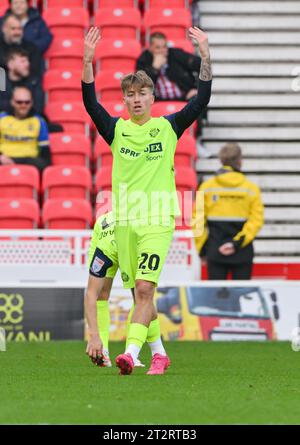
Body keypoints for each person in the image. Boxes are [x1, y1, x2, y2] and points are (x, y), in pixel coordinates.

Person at [82, 26, 212, 375]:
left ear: (152, 98)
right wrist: (87, 60)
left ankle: (130, 353)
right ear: (123, 100)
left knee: (143, 288)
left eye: (142, 93)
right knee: (143, 296)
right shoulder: (117, 131)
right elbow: (90, 103)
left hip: (157, 220)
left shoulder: (169, 127)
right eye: (130, 94)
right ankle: (160, 354)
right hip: (125, 222)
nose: (136, 99)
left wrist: (205, 57)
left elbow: (200, 100)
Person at [85, 211, 167, 369]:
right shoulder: (103, 250)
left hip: (133, 240)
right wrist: (94, 336)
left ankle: (132, 355)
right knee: (100, 293)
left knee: (141, 297)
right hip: (108, 238)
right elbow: (90, 293)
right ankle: (102, 352)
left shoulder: (137, 235)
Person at [193, 143, 264, 280]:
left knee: (216, 299)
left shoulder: (206, 187)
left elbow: (197, 221)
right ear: (240, 161)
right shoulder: (251, 188)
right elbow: (256, 221)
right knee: (242, 297)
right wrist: (235, 243)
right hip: (242, 251)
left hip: (215, 250)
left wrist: (203, 249)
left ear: (221, 160)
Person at [136, 31, 201, 101]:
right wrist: (154, 68)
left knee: (198, 99)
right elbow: (141, 85)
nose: (162, 51)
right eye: (158, 48)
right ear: (150, 48)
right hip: (157, 102)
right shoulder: (143, 60)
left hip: (184, 99)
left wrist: (196, 88)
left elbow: (200, 64)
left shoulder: (176, 54)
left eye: (164, 47)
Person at [0, 86, 51, 171]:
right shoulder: (2, 119)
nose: (23, 105)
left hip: (30, 160)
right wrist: (1, 156)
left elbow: (45, 150)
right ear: (12, 102)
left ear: (31, 103)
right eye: (19, 102)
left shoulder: (39, 121)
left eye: (27, 102)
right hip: (5, 157)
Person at [0, 47, 44, 114]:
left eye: (27, 61)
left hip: (29, 120)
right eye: (22, 61)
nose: (27, 64)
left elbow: (38, 107)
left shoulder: (34, 82)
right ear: (10, 65)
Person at [0, 14, 43, 78]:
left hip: (27, 86)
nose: (17, 32)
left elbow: (36, 73)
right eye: (13, 28)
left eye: (19, 29)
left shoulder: (31, 48)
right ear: (4, 29)